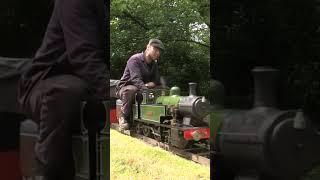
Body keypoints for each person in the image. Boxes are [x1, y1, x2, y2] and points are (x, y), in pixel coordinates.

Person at [17, 0, 108, 179]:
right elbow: (84, 57)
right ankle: (49, 174)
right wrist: (111, 94)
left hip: (88, 82)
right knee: (67, 92)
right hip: (46, 80)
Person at [116, 39, 165, 130]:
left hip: (142, 87)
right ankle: (123, 117)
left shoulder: (154, 64)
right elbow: (135, 79)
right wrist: (146, 88)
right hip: (125, 87)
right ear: (148, 47)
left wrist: (152, 85)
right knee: (131, 90)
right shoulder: (134, 59)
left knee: (162, 89)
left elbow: (156, 80)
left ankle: (159, 115)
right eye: (156, 49)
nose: (158, 53)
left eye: (159, 51)